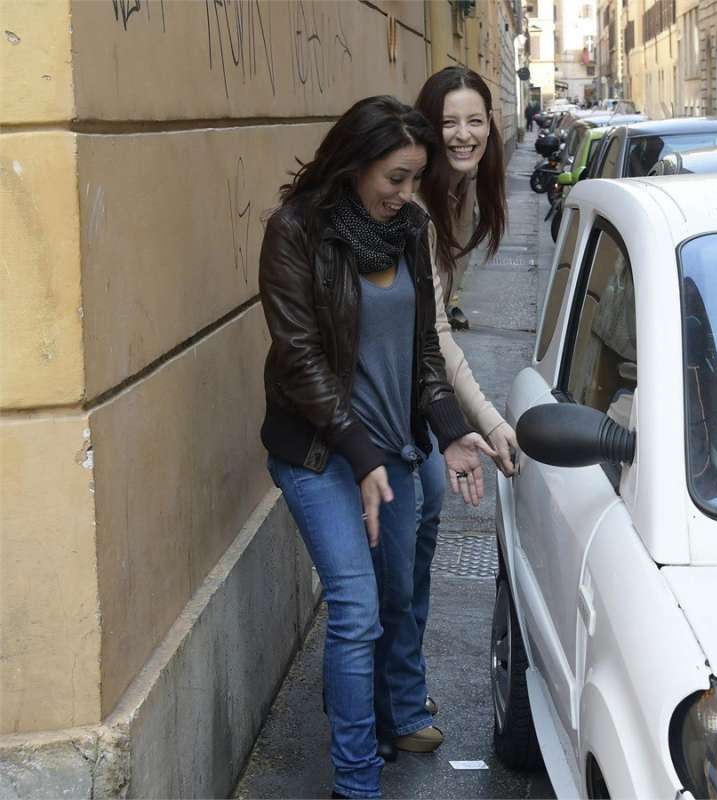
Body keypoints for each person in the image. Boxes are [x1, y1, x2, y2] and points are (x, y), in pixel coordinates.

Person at [259, 95, 496, 799]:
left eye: (414, 177)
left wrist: (452, 432)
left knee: (395, 597)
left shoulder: (410, 230)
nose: (405, 192)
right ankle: (357, 783)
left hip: (392, 450)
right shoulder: (296, 231)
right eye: (395, 176)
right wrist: (360, 456)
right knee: (357, 607)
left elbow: (425, 349)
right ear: (356, 163)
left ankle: (376, 712)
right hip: (321, 456)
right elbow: (299, 358)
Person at [409, 65, 520, 730]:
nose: (463, 133)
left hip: (415, 396)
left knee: (416, 540)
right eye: (449, 121)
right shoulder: (420, 208)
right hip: (399, 402)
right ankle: (389, 695)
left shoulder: (455, 198)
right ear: (429, 127)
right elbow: (437, 337)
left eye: (474, 119)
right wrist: (486, 419)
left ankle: (397, 687)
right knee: (403, 553)